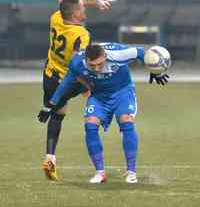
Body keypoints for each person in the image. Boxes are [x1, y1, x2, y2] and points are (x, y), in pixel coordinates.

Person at [38, 42, 169, 183]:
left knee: (126, 120)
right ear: (86, 60)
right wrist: (50, 105)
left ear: (105, 56)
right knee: (90, 125)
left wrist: (155, 71)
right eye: (92, 65)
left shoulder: (118, 54)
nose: (96, 68)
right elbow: (66, 82)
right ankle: (100, 173)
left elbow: (140, 52)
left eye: (100, 64)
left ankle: (131, 173)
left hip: (122, 92)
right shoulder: (77, 62)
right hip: (99, 95)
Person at [38, 0, 115, 181]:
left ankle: (50, 158)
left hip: (49, 75)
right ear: (75, 15)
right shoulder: (81, 35)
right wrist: (88, 85)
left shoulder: (56, 17)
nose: (84, 9)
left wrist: (97, 2)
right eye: (82, 8)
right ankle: (105, 112)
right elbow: (78, 66)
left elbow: (70, 2)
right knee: (100, 83)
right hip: (68, 80)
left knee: (58, 114)